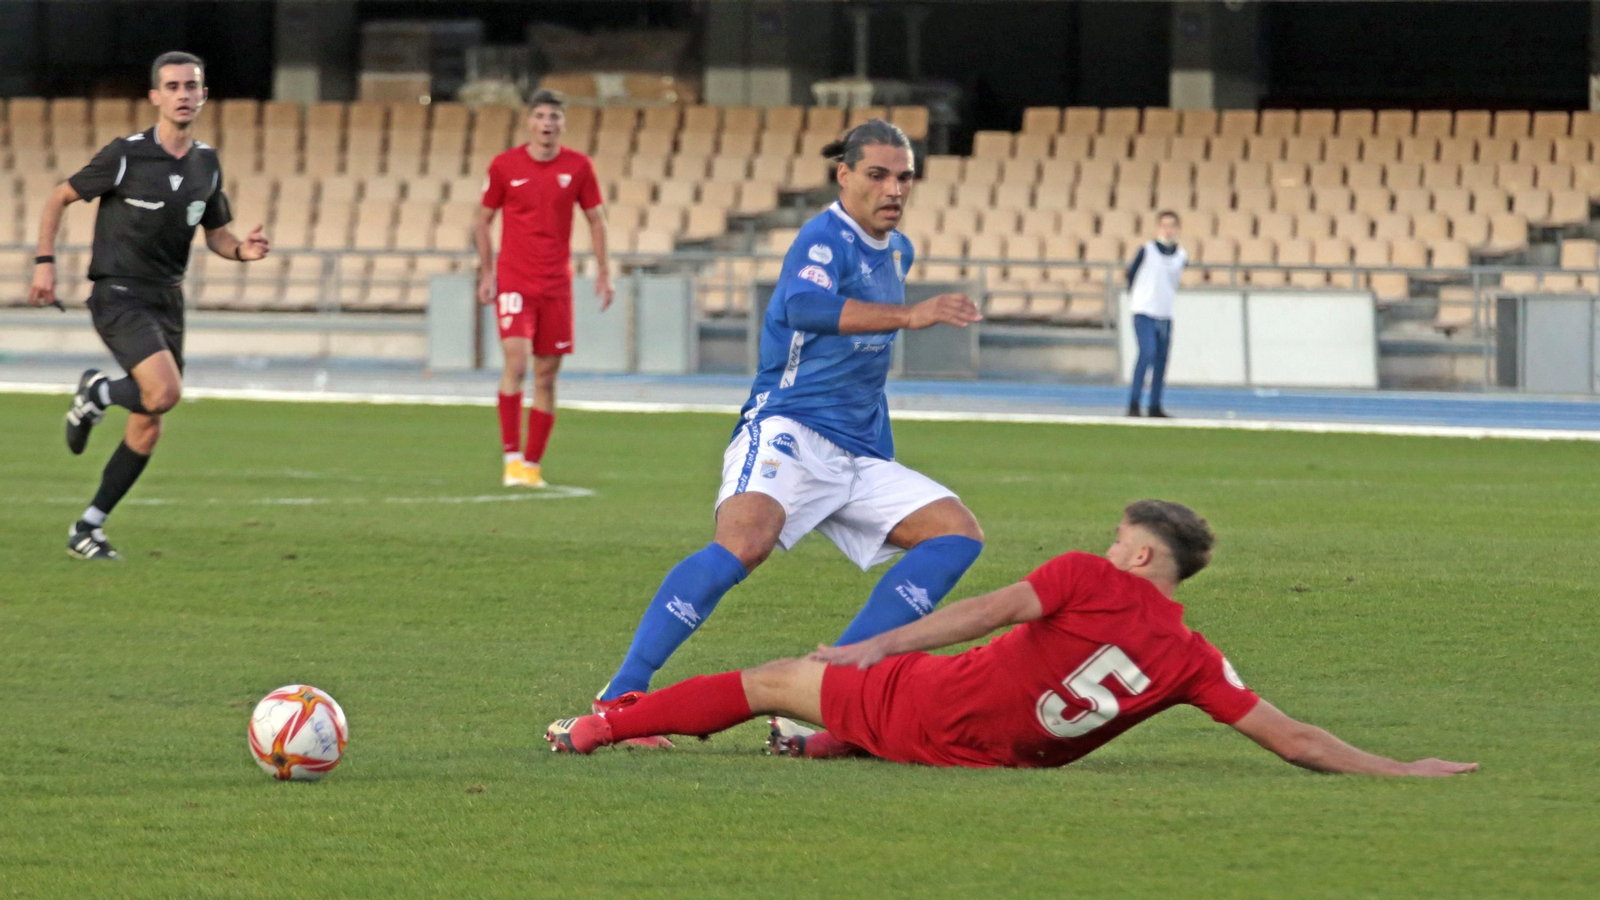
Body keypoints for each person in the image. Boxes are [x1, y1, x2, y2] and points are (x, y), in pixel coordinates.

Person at [548, 500, 1478, 778]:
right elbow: (1296, 740)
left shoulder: (1087, 574)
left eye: (1124, 538)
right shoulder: (1197, 659)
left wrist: (877, 646)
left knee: (771, 678)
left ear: (1144, 553)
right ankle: (834, 741)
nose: (1113, 544)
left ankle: (599, 728)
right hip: (1006, 759)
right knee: (851, 713)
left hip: (934, 709)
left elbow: (986, 611)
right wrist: (1402, 770)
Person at [587, 120, 986, 748]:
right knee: (746, 542)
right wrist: (913, 314)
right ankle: (621, 696)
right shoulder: (824, 238)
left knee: (956, 534)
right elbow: (801, 307)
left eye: (904, 176)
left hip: (856, 452)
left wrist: (877, 445)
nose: (894, 188)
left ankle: (830, 684)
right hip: (789, 430)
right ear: (845, 175)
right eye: (878, 174)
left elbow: (865, 369)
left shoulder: (897, 250)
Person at [27, 51, 270, 560]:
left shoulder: (207, 162)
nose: (183, 94)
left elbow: (217, 234)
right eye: (173, 86)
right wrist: (45, 263)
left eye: (192, 86)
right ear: (155, 96)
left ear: (203, 95)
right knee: (162, 392)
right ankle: (97, 391)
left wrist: (243, 252)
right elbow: (58, 197)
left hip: (167, 297)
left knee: (149, 419)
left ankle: (87, 527)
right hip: (118, 291)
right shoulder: (126, 154)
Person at [475, 89, 612, 489]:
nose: (547, 123)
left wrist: (604, 271)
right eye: (540, 116)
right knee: (516, 362)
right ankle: (510, 458)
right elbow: (482, 220)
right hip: (515, 278)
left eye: (554, 116)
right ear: (529, 122)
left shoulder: (579, 167)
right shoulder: (505, 166)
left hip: (557, 283)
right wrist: (487, 273)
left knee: (547, 375)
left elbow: (597, 219)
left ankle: (532, 467)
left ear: (563, 123)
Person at [1125, 210, 1186, 418]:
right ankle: (1134, 402)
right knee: (1147, 352)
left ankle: (1155, 405)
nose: (1168, 230)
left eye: (1171, 226)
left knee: (1161, 359)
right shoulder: (1147, 250)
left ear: (1177, 229)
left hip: (1165, 313)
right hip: (1144, 311)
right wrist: (1138, 296)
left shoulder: (1180, 255)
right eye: (1164, 226)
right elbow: (1131, 274)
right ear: (1157, 228)